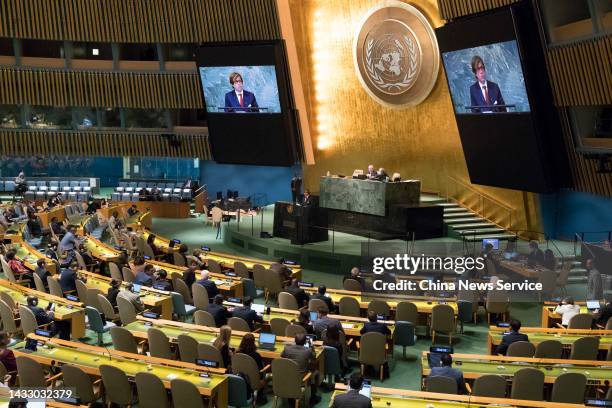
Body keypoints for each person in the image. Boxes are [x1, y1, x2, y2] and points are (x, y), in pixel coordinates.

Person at [281, 333, 321, 404]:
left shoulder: (287, 348)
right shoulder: (308, 350)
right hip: (301, 378)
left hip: (288, 375)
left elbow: (282, 356)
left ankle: (290, 398)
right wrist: (312, 347)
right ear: (305, 341)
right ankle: (313, 398)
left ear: (295, 341)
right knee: (316, 372)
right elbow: (314, 358)